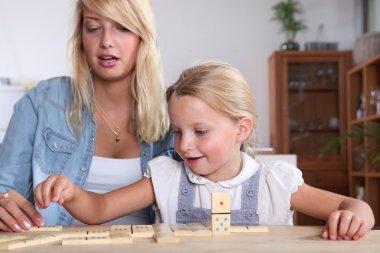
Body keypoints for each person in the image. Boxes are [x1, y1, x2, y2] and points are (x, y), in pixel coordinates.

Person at [34, 61, 375, 240]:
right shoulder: (165, 177)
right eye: (178, 131)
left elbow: (354, 206)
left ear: (241, 129)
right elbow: (100, 208)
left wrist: (354, 217)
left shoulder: (276, 182)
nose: (183, 145)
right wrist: (71, 192)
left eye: (200, 131)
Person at [0, 0, 179, 232]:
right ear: (80, 37)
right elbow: (5, 186)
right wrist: (3, 202)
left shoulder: (174, 113)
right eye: (93, 28)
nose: (106, 42)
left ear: (143, 35)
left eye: (122, 28)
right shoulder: (41, 103)